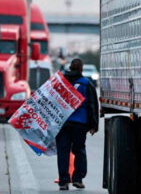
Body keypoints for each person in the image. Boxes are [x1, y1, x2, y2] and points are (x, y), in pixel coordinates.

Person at [56, 58, 99, 190]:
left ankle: (63, 181)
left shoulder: (60, 82)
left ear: (70, 68)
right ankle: (78, 179)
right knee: (79, 150)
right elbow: (92, 106)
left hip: (62, 123)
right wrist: (93, 126)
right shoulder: (86, 84)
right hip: (80, 124)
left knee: (63, 151)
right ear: (81, 69)